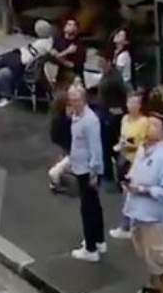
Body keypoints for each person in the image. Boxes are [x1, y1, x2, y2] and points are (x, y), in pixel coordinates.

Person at [122, 117, 163, 293]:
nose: (147, 127)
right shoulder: (142, 150)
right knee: (148, 255)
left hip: (156, 219)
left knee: (162, 261)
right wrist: (128, 180)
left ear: (162, 132)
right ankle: (154, 287)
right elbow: (135, 172)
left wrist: (145, 190)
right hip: (138, 214)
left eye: (153, 125)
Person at [68, 85, 106, 262]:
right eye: (72, 100)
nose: (74, 103)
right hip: (79, 166)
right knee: (94, 205)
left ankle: (91, 249)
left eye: (77, 100)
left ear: (84, 100)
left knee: (87, 208)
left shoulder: (90, 120)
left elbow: (95, 147)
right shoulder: (77, 115)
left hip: (87, 169)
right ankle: (98, 241)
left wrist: (94, 170)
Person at [109, 93, 150, 239]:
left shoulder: (145, 122)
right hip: (124, 158)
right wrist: (121, 144)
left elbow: (146, 143)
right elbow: (122, 137)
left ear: (140, 106)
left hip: (137, 162)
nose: (132, 106)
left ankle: (126, 226)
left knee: (130, 194)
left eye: (135, 103)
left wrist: (132, 146)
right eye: (129, 103)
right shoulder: (125, 119)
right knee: (126, 192)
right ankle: (132, 225)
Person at [0, 20, 54, 107]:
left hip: (26, 67)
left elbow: (25, 58)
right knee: (4, 68)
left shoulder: (41, 44)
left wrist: (22, 46)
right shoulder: (48, 40)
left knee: (2, 60)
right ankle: (3, 95)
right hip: (25, 63)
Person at [96, 55, 128, 186]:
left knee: (108, 144)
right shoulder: (106, 75)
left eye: (102, 62)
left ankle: (112, 173)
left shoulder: (115, 77)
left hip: (112, 115)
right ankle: (109, 172)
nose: (100, 65)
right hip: (105, 113)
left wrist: (118, 109)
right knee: (107, 145)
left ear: (109, 62)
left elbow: (123, 94)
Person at [48, 90, 74, 191]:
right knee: (71, 159)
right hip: (66, 140)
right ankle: (55, 174)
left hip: (61, 140)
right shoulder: (63, 120)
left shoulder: (57, 116)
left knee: (67, 157)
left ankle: (58, 172)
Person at [51, 19, 85, 89]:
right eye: (69, 24)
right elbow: (52, 56)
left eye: (74, 25)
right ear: (64, 28)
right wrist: (67, 52)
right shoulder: (57, 40)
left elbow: (73, 65)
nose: (72, 26)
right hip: (59, 74)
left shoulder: (79, 44)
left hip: (74, 75)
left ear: (77, 30)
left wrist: (59, 57)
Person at [111, 28, 134, 93]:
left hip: (124, 85)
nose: (117, 35)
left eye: (121, 35)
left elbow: (117, 72)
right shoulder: (116, 52)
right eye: (118, 33)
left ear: (126, 41)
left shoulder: (123, 55)